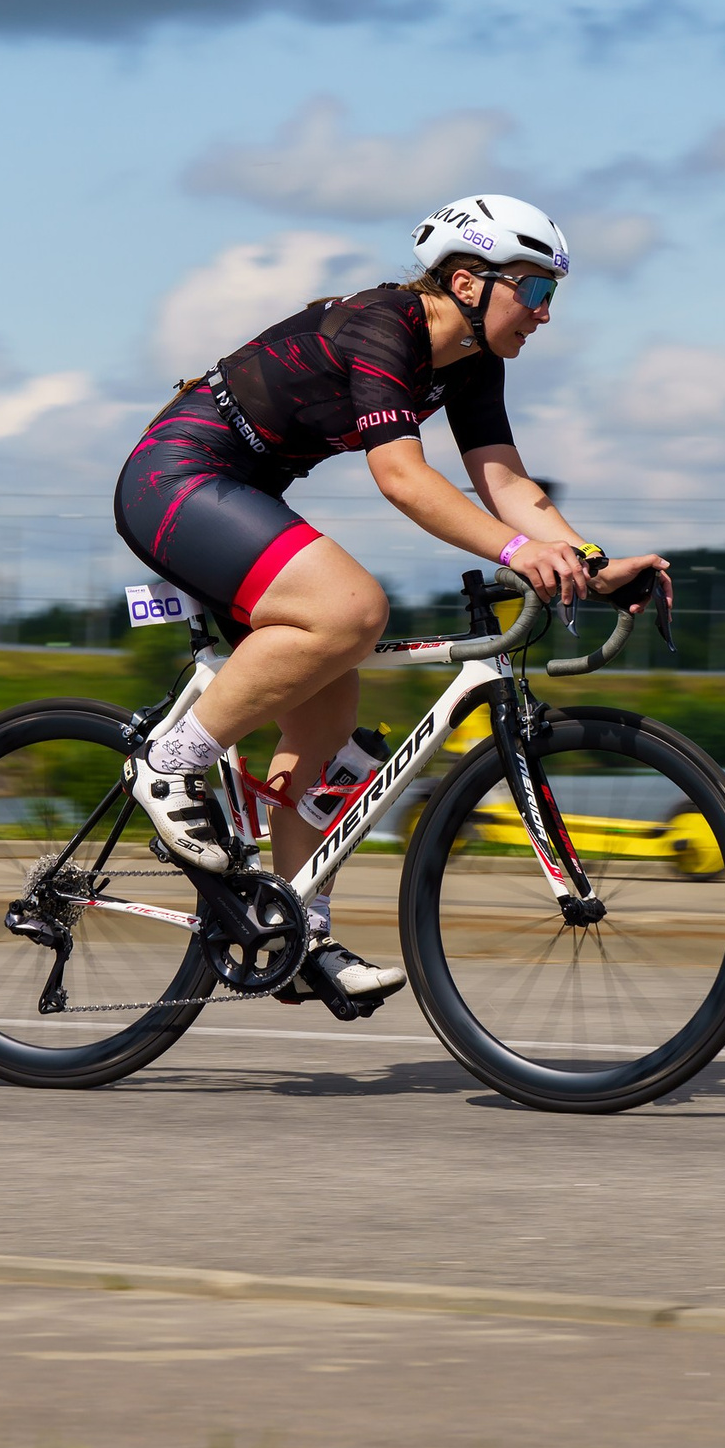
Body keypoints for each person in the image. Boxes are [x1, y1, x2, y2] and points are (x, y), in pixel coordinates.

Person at [112, 194, 674, 1002]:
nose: (547, 313)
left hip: (244, 492)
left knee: (327, 732)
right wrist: (518, 551)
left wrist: (588, 559)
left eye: (554, 295)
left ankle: (299, 934)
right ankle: (170, 764)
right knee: (352, 609)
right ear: (467, 281)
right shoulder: (388, 326)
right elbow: (402, 478)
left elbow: (505, 480)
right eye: (537, 291)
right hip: (177, 476)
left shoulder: (477, 362)